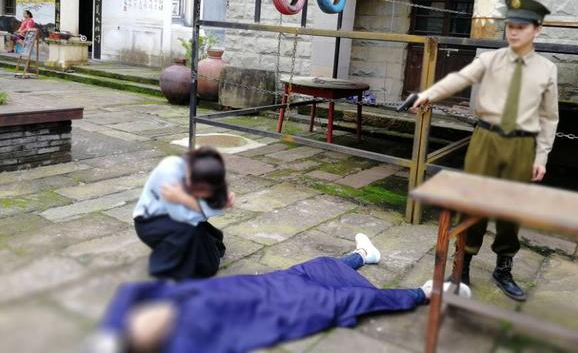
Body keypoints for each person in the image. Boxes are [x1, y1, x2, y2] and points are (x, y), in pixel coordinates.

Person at [410, 0, 559, 302]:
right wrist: (428, 95)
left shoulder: (547, 69)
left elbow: (549, 117)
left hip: (522, 144)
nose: (513, 32)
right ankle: (461, 266)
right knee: (473, 203)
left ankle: (503, 268)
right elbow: (458, 79)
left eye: (521, 27)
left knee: (511, 209)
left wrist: (541, 156)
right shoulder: (490, 60)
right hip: (485, 140)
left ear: (537, 30)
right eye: (510, 26)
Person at [91, 234, 471, 353]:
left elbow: (129, 293)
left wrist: (111, 335)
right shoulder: (189, 343)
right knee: (349, 299)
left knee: (316, 267)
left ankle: (362, 256)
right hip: (284, 309)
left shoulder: (152, 304)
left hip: (271, 283)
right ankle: (424, 294)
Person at [133, 147, 235, 281]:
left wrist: (220, 202)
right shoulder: (170, 174)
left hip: (174, 215)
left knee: (205, 243)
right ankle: (169, 263)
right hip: (150, 222)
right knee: (189, 232)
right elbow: (183, 216)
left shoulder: (199, 171)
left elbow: (201, 210)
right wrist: (187, 200)